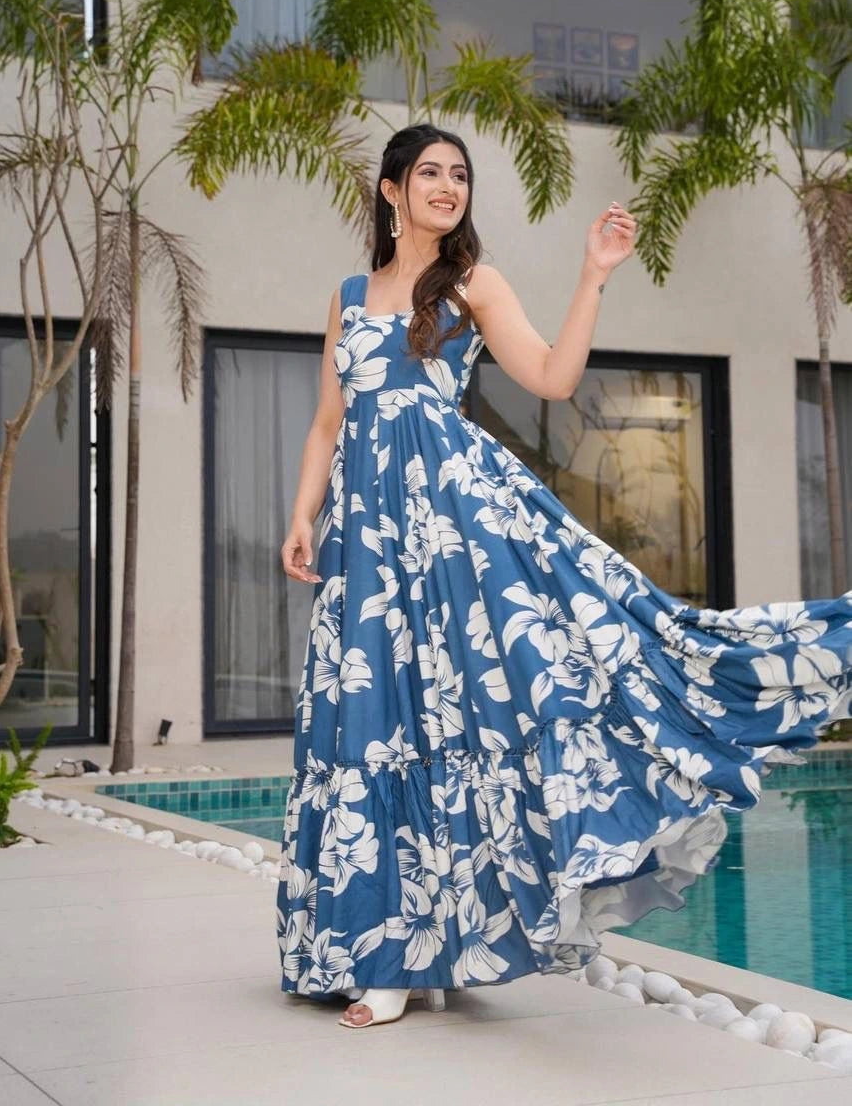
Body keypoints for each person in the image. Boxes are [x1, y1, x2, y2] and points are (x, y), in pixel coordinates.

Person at [278, 123, 852, 1030]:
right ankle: (387, 946)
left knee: (476, 708)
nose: (446, 186)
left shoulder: (472, 282)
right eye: (428, 173)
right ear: (389, 190)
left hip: (453, 529)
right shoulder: (349, 298)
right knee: (374, 723)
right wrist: (304, 513)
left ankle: (395, 962)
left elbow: (551, 377)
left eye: (458, 175)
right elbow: (325, 423)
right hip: (366, 540)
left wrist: (592, 276)